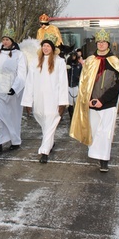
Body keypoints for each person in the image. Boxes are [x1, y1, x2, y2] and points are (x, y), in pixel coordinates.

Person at [70, 29, 119, 173]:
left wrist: (102, 100)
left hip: (107, 104)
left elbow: (117, 85)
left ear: (108, 44)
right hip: (91, 103)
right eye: (99, 42)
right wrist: (88, 99)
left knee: (105, 133)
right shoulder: (90, 61)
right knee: (93, 131)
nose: (101, 44)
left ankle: (104, 160)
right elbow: (84, 83)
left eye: (104, 42)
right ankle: (95, 154)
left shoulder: (114, 61)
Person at [21, 33, 69, 163]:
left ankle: (44, 152)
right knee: (46, 125)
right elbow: (29, 82)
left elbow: (63, 83)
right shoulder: (35, 62)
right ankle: (50, 143)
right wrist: (28, 102)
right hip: (39, 100)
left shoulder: (59, 62)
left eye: (48, 46)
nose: (46, 48)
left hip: (53, 100)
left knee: (51, 123)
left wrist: (62, 103)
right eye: (44, 46)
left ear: (53, 48)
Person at [0, 28, 27, 154]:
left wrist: (15, 88)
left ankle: (15, 140)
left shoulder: (19, 55)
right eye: (3, 39)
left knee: (12, 117)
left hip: (11, 91)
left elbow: (22, 74)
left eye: (7, 39)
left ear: (12, 41)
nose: (5, 42)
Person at [66, 51, 83, 121]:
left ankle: (77, 116)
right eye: (72, 56)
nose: (73, 57)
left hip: (76, 85)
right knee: (70, 103)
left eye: (74, 56)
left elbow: (81, 75)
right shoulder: (67, 66)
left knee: (76, 101)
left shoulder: (79, 65)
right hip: (69, 85)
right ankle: (71, 116)